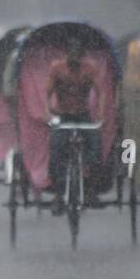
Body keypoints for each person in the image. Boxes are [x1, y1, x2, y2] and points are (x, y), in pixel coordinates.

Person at [44, 37, 105, 213]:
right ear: (66, 55)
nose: (74, 59)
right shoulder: (57, 69)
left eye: (77, 56)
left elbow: (100, 93)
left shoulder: (89, 68)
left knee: (95, 148)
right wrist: (48, 114)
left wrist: (100, 114)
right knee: (55, 151)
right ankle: (58, 194)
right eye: (71, 55)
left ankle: (90, 189)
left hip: (83, 116)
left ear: (81, 56)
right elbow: (46, 94)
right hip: (63, 117)